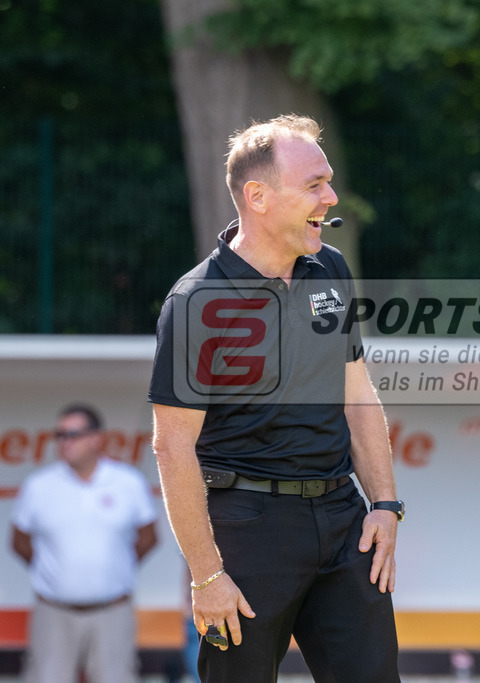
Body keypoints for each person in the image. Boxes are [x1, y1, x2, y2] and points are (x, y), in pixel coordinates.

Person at [148, 114, 403, 682]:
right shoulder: (195, 301)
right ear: (258, 196)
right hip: (247, 530)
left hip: (344, 519)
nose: (330, 198)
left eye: (328, 183)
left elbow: (356, 394)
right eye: (314, 185)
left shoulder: (330, 268)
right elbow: (172, 447)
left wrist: (385, 505)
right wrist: (207, 576)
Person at [10, 403, 158, 683]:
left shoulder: (127, 482)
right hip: (53, 611)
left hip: (113, 611)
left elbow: (149, 536)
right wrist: (54, 572)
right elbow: (19, 540)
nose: (64, 442)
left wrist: (116, 568)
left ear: (97, 438)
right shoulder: (39, 485)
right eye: (59, 435)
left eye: (73, 434)